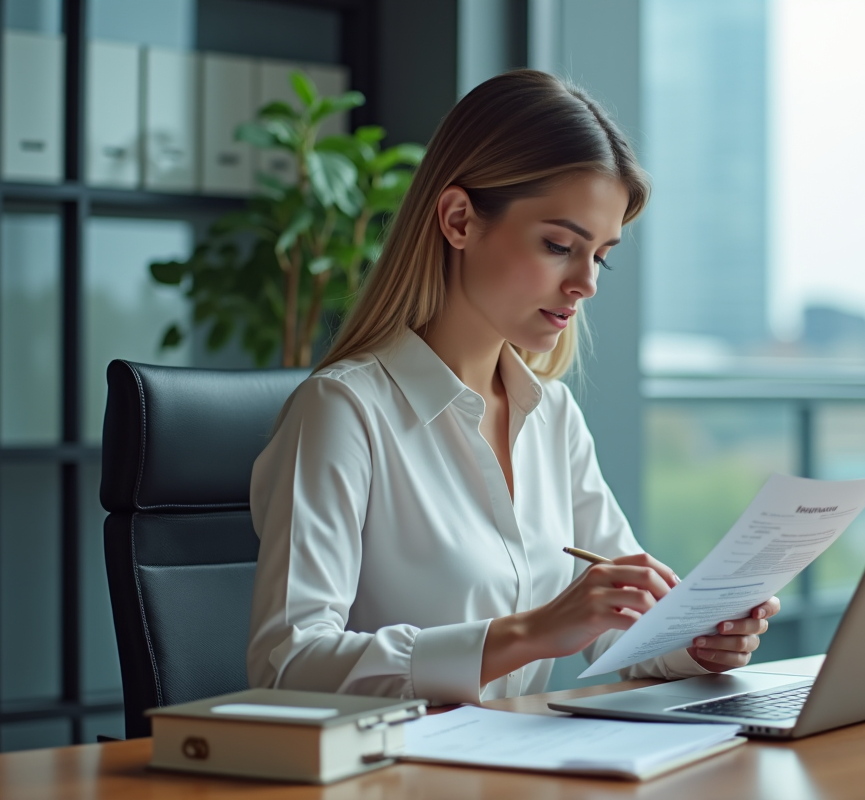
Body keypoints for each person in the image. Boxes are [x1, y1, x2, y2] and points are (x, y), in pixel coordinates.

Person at [247, 70, 780, 704]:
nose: (587, 282)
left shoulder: (551, 416)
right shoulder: (344, 412)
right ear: (459, 219)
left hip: (514, 762)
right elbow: (287, 665)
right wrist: (533, 632)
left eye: (601, 255)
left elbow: (622, 625)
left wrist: (691, 641)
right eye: (560, 245)